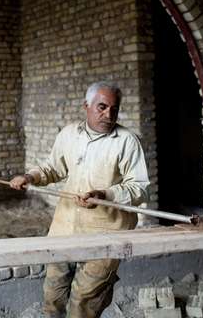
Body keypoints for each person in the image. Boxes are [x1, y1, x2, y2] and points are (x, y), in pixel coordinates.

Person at [10, 81, 150, 318]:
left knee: (83, 305)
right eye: (102, 107)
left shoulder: (127, 141)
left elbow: (140, 188)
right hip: (64, 229)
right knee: (53, 298)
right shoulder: (68, 134)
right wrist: (29, 176)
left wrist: (105, 195)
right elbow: (52, 168)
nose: (108, 114)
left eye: (114, 109)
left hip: (105, 234)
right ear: (86, 106)